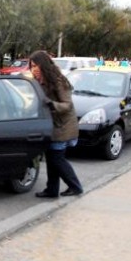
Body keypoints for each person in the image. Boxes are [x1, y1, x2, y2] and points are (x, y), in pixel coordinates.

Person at [29, 50, 83, 198]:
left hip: (63, 127)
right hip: (51, 127)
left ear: (43, 65)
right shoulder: (40, 81)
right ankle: (52, 190)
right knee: (52, 160)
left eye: (35, 66)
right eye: (31, 66)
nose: (33, 69)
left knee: (57, 160)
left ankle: (75, 186)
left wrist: (51, 104)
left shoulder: (59, 81)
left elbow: (67, 105)